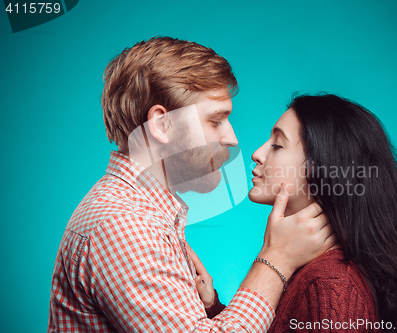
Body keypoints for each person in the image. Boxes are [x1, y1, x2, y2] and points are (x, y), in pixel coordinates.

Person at [48, 37, 335, 332]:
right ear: (162, 125)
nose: (232, 139)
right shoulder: (125, 225)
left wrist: (209, 308)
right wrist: (276, 259)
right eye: (215, 121)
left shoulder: (141, 214)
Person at [197, 93, 397, 332]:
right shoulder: (312, 269)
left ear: (323, 169)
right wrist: (213, 307)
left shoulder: (331, 283)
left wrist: (274, 258)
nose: (257, 154)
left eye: (277, 145)